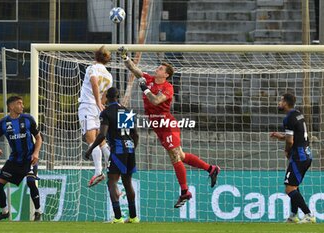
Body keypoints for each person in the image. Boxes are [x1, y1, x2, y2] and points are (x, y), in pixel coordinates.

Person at [118, 47, 220, 208]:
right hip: (157, 124)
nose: (157, 69)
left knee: (174, 156)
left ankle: (185, 191)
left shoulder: (167, 87)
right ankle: (211, 168)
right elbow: (134, 69)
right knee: (181, 155)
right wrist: (125, 57)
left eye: (160, 68)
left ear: (166, 74)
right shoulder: (149, 79)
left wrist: (144, 89)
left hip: (167, 123)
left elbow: (156, 101)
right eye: (158, 67)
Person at [85, 87, 139, 223]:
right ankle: (133, 217)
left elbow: (102, 134)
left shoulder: (106, 112)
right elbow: (135, 134)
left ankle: (118, 217)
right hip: (130, 149)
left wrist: (90, 149)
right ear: (118, 96)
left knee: (112, 182)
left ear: (107, 97)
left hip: (118, 150)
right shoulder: (126, 111)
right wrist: (132, 148)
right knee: (127, 182)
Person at [0, 96, 43, 221]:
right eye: (19, 103)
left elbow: (39, 138)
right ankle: (4, 212)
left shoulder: (28, 119)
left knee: (30, 182)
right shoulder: (2, 123)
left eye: (22, 103)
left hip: (29, 158)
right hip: (14, 160)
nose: (22, 106)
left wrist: (36, 153)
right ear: (11, 106)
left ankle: (38, 212)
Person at [270, 93, 316, 223]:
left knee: (289, 188)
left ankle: (309, 215)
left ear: (285, 103)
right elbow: (296, 134)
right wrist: (281, 136)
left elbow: (290, 141)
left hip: (299, 156)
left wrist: (287, 150)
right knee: (294, 185)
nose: (279, 103)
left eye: (280, 100)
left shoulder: (289, 118)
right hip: (306, 154)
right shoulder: (298, 114)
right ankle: (293, 215)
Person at [78, 46, 112, 187]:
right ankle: (114, 166)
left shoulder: (92, 68)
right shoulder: (109, 76)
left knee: (91, 139)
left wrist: (96, 102)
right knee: (101, 141)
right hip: (99, 109)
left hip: (87, 106)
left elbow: (94, 83)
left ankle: (98, 171)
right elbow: (106, 95)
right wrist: (101, 105)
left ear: (95, 57)